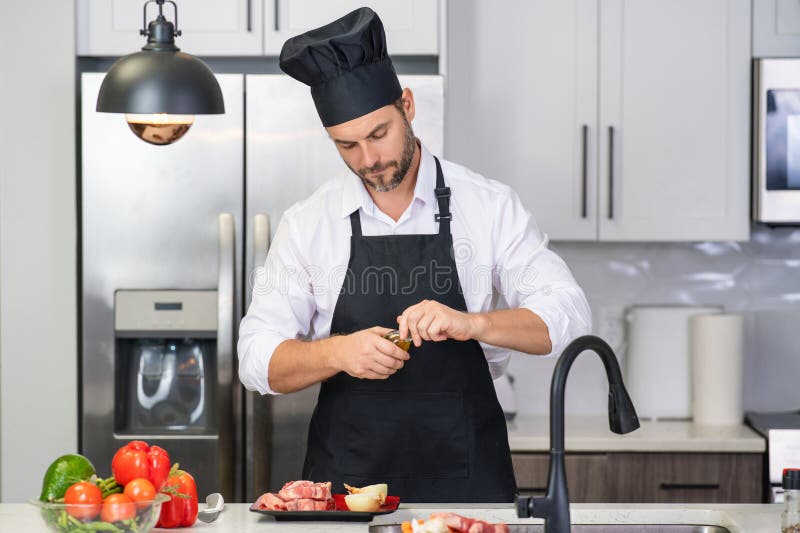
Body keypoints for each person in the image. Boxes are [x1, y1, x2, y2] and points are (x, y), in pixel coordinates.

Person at [238, 7, 592, 503]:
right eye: (347, 145)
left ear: (406, 105)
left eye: (379, 134)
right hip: (347, 493)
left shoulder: (488, 206)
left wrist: (473, 324)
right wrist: (338, 351)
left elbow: (570, 315)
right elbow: (255, 358)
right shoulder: (309, 223)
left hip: (468, 485)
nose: (368, 160)